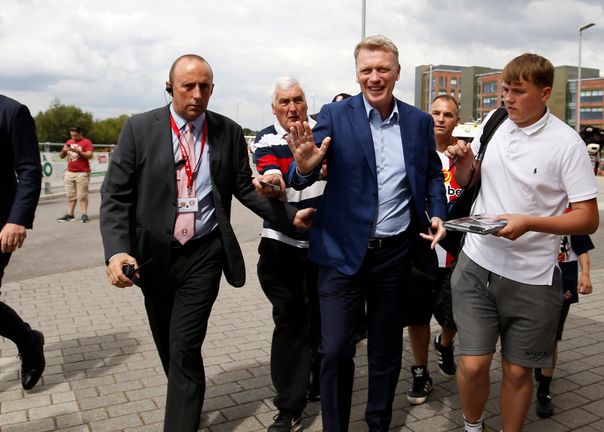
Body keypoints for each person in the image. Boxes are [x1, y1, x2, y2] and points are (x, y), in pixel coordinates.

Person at [100, 54, 312, 432]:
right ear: (170, 87)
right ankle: (187, 396)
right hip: (153, 259)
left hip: (205, 254)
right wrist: (117, 251)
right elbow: (116, 195)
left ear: (212, 89)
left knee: (184, 346)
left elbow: (244, 188)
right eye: (188, 86)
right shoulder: (139, 129)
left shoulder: (227, 131)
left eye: (205, 87)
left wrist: (287, 218)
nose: (197, 94)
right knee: (170, 346)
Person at [285, 35, 446, 432]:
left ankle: (378, 423)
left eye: (382, 69)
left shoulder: (419, 121)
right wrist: (304, 165)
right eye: (366, 70)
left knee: (386, 349)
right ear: (356, 74)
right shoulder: (334, 116)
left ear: (397, 72)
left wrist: (437, 212)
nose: (375, 78)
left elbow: (429, 175)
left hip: (394, 255)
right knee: (336, 348)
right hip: (341, 253)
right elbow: (301, 171)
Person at [445, 53, 599, 432]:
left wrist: (530, 223)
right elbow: (470, 179)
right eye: (504, 90)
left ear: (545, 93)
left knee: (517, 373)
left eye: (518, 92)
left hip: (532, 278)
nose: (508, 99)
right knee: (472, 363)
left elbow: (588, 218)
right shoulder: (495, 122)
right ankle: (472, 426)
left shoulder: (567, 143)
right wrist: (462, 161)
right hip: (477, 265)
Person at [251, 77, 323, 431]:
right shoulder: (266, 138)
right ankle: (289, 406)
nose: (292, 107)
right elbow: (273, 174)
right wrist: (273, 185)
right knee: (290, 324)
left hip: (323, 248)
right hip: (282, 247)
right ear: (274, 108)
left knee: (323, 322)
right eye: (284, 102)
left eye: (297, 99)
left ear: (307, 103)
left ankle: (317, 380)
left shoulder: (324, 135)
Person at [404, 94, 462, 405]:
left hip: (454, 255)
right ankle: (420, 370)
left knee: (455, 317)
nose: (440, 119)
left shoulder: (462, 156)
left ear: (456, 121)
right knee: (417, 315)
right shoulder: (414, 152)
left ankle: (445, 343)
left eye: (448, 114)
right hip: (419, 250)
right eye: (435, 113)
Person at [0, 94, 46, 391]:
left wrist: (17, 219)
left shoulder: (12, 112)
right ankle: (28, 339)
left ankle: (29, 343)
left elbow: (29, 169)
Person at [534, 232, 594, 418]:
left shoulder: (572, 215)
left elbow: (582, 248)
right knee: (532, 332)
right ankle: (535, 361)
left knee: (552, 337)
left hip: (562, 281)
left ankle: (544, 390)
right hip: (531, 281)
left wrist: (585, 274)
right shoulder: (532, 211)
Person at [57, 126, 93, 223]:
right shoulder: (69, 142)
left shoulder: (87, 142)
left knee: (82, 195)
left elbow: (90, 155)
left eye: (75, 135)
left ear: (81, 133)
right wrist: (64, 151)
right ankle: (70, 214)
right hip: (70, 172)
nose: (73, 137)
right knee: (70, 195)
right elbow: (61, 156)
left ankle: (84, 214)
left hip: (82, 172)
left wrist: (78, 151)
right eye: (72, 135)